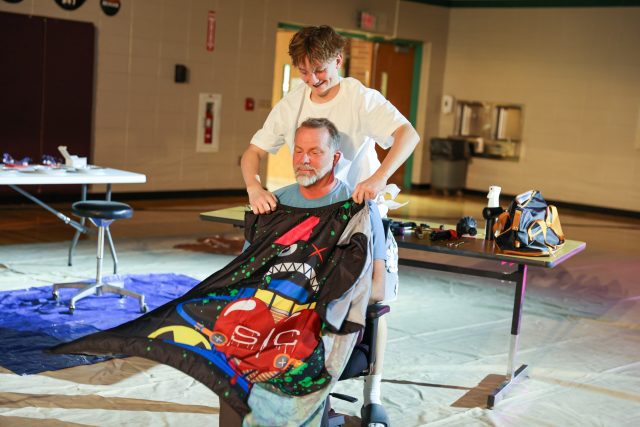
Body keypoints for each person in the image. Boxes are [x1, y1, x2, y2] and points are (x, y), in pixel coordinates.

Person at [272, 117, 390, 426]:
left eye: (315, 151)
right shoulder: (278, 204)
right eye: (298, 151)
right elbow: (246, 274)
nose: (304, 160)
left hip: (329, 322)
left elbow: (379, 289)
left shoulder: (359, 208)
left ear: (335, 158)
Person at [241, 24, 420, 216]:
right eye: (304, 72)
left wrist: (379, 177)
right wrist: (254, 188)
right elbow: (253, 152)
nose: (312, 79)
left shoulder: (360, 98)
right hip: (315, 208)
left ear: (338, 61)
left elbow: (408, 134)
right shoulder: (291, 105)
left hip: (359, 207)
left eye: (319, 70)